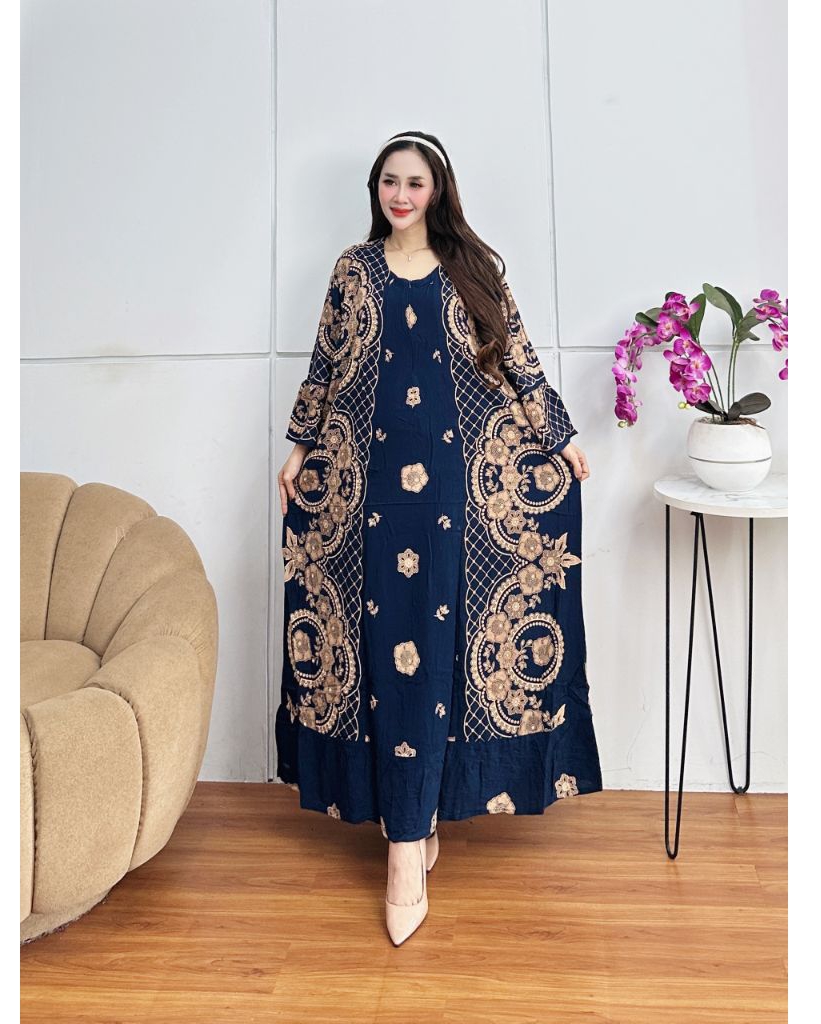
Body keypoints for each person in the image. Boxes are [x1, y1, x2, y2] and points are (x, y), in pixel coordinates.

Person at [275, 131, 603, 946]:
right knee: (385, 648)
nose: (400, 195)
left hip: (457, 495)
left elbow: (517, 358)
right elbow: (326, 365)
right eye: (389, 181)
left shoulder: (472, 269)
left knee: (440, 649)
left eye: (415, 182)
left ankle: (413, 833)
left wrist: (559, 438)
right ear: (376, 189)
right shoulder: (354, 271)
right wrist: (300, 448)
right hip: (368, 494)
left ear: (438, 190)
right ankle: (404, 836)